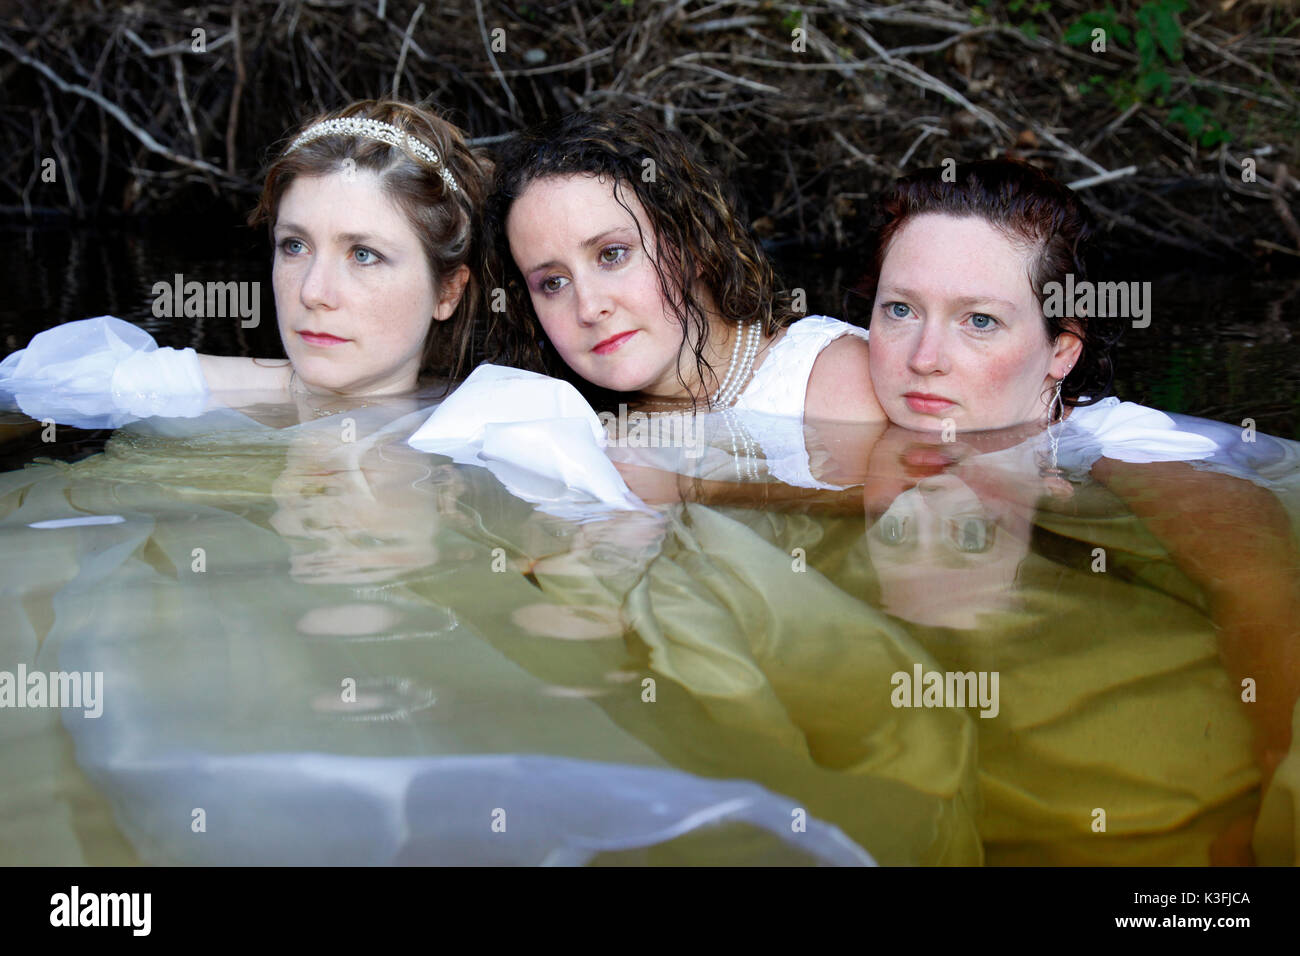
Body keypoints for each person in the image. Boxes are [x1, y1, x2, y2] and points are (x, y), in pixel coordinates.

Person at [0, 98, 488, 425]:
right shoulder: (172, 392)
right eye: (294, 246)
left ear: (448, 291)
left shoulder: (501, 420)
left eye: (364, 255)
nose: (312, 292)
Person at [481, 109, 882, 423]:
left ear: (693, 245)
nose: (588, 308)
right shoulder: (568, 427)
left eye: (612, 254)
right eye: (553, 282)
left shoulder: (833, 379)